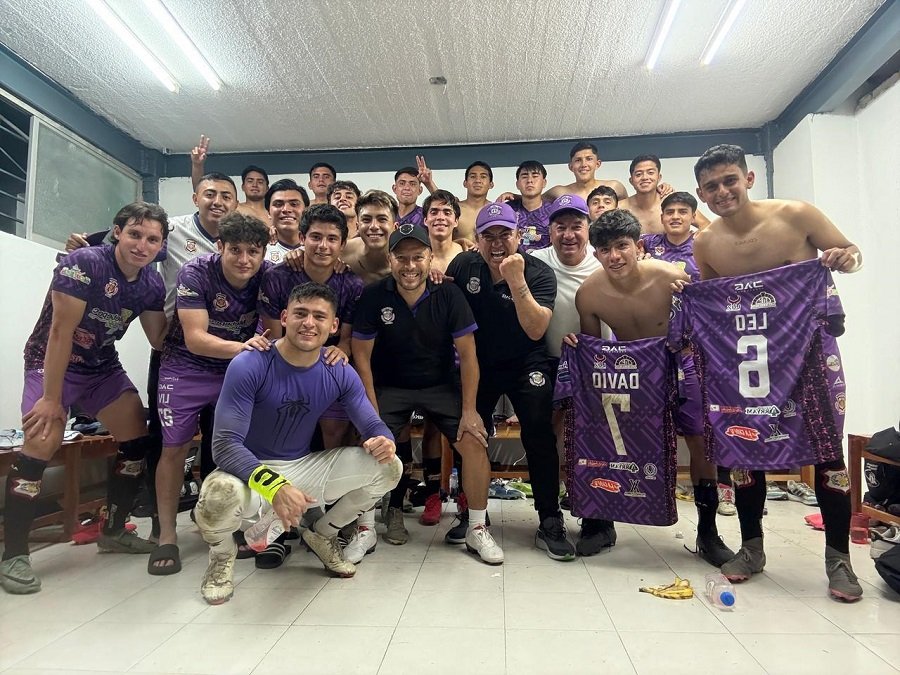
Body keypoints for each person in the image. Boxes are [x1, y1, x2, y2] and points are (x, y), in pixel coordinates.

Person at [689, 143, 863, 601]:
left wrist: (846, 258)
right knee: (743, 448)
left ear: (748, 178)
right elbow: (714, 308)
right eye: (711, 186)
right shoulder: (706, 243)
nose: (722, 191)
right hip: (747, 361)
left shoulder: (797, 215)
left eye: (730, 180)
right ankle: (751, 548)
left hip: (808, 356)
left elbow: (852, 252)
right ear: (701, 194)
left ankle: (839, 559)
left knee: (828, 453)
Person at [194, 282, 401, 604]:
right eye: (300, 314)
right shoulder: (250, 363)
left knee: (389, 467)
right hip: (250, 471)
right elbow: (224, 446)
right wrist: (274, 486)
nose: (309, 323)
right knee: (216, 495)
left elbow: (371, 424)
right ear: (284, 318)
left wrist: (384, 440)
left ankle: (322, 534)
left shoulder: (338, 370)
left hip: (302, 468)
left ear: (333, 326)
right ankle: (221, 556)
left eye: (319, 316)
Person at [2, 203, 169, 594]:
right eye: (134, 234)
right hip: (51, 361)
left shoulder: (151, 284)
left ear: (161, 246)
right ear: (117, 232)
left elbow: (159, 339)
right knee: (41, 441)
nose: (142, 246)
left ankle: (113, 530)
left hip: (101, 367)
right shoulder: (85, 263)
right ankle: (14, 555)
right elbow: (60, 332)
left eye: (152, 239)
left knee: (136, 438)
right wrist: (51, 398)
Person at [572, 209, 733, 563]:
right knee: (603, 433)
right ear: (595, 253)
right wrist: (576, 345)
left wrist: (688, 298)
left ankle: (708, 532)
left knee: (700, 441)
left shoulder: (671, 276)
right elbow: (594, 352)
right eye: (605, 250)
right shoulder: (589, 294)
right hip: (634, 371)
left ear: (639, 246)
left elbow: (707, 323)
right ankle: (600, 522)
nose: (614, 256)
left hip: (680, 361)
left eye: (621, 246)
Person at [350, 225, 502, 563]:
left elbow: (469, 356)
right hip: (391, 386)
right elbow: (361, 357)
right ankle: (364, 527)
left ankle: (477, 528)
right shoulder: (374, 295)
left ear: (430, 258)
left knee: (474, 441)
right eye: (401, 258)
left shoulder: (448, 294)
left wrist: (470, 411)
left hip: (440, 386)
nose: (410, 266)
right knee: (367, 444)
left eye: (418, 257)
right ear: (390, 259)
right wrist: (370, 415)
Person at [446, 202, 573, 560]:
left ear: (519, 236)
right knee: (471, 433)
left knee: (539, 432)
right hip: (479, 363)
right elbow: (447, 305)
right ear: (477, 240)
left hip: (526, 360)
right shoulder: (464, 265)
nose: (497, 243)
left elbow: (535, 329)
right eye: (488, 236)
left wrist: (516, 280)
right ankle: (472, 514)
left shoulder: (539, 272)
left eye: (505, 234)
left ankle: (549, 518)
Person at [151, 213, 272, 575]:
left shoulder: (268, 276)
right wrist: (243, 348)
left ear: (263, 253)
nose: (244, 259)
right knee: (174, 449)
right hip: (184, 366)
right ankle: (167, 535)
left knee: (234, 448)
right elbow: (195, 338)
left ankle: (229, 524)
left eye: (253, 251)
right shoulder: (196, 272)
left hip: (233, 370)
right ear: (220, 246)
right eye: (235, 250)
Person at [259, 203, 364, 448]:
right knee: (284, 424)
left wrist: (341, 351)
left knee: (336, 429)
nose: (323, 246)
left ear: (342, 244)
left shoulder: (352, 284)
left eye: (332, 239)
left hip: (328, 363)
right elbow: (274, 339)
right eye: (315, 237)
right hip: (285, 362)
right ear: (302, 238)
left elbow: (346, 339)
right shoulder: (277, 277)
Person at [621, 155, 710, 234]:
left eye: (650, 173)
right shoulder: (620, 208)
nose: (645, 177)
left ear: (659, 177)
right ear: (631, 180)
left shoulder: (673, 202)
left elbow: (706, 225)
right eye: (638, 174)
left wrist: (692, 241)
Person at [189, 135, 269, 222]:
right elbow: (201, 188)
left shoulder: (274, 212)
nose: (255, 185)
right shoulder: (234, 207)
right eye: (250, 181)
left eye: (260, 182)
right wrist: (197, 165)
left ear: (267, 188)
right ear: (243, 186)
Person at [641, 191, 702, 281]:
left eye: (682, 212)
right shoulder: (649, 242)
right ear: (662, 218)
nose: (675, 217)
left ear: (693, 217)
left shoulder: (702, 246)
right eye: (670, 212)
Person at [341, 190, 398, 284]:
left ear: (395, 227)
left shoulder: (406, 261)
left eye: (382, 219)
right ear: (357, 227)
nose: (374, 226)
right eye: (366, 220)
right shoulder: (342, 251)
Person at [545, 142, 628, 202]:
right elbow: (537, 204)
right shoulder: (559, 192)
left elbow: (627, 214)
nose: (584, 164)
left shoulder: (615, 187)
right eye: (578, 160)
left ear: (597, 164)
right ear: (571, 166)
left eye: (589, 159)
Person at [509, 161, 555, 252]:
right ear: (517, 184)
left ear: (544, 182)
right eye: (524, 176)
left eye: (535, 176)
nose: (530, 180)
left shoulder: (554, 212)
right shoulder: (508, 210)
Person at [263, 179, 309, 264]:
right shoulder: (259, 252)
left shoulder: (320, 248)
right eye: (278, 204)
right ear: (268, 212)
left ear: (306, 210)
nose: (286, 209)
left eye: (294, 204)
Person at [422, 189, 465, 272]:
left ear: (456, 221)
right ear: (425, 220)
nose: (440, 217)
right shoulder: (416, 258)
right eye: (434, 213)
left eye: (447, 213)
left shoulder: (466, 253)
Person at [456, 161, 494, 242]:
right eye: (473, 176)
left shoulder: (496, 211)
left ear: (491, 184)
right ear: (465, 183)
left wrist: (515, 195)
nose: (477, 180)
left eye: (483, 177)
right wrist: (429, 183)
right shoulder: (454, 209)